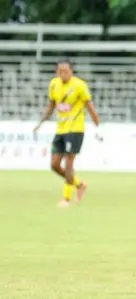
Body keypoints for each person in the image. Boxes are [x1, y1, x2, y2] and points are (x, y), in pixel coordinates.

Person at [33, 59, 100, 208]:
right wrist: (41, 122)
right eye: (59, 71)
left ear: (71, 71)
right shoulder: (54, 84)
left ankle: (66, 199)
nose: (62, 74)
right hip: (61, 129)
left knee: (69, 163)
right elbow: (51, 105)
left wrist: (97, 124)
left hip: (75, 129)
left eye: (65, 71)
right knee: (54, 165)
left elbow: (89, 106)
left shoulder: (80, 85)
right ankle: (79, 184)